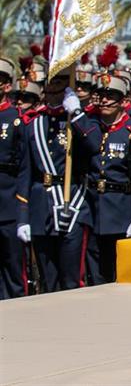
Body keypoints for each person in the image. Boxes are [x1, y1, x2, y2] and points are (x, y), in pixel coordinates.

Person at [83, 73, 131, 284]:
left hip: (120, 208)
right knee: (94, 269)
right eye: (101, 95)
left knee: (118, 271)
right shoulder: (92, 127)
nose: (104, 100)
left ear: (123, 101)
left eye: (110, 95)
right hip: (92, 207)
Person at [0, 58, 31, 298]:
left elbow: (24, 167)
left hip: (7, 201)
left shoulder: (17, 119)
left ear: (6, 87)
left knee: (12, 267)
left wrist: (22, 209)